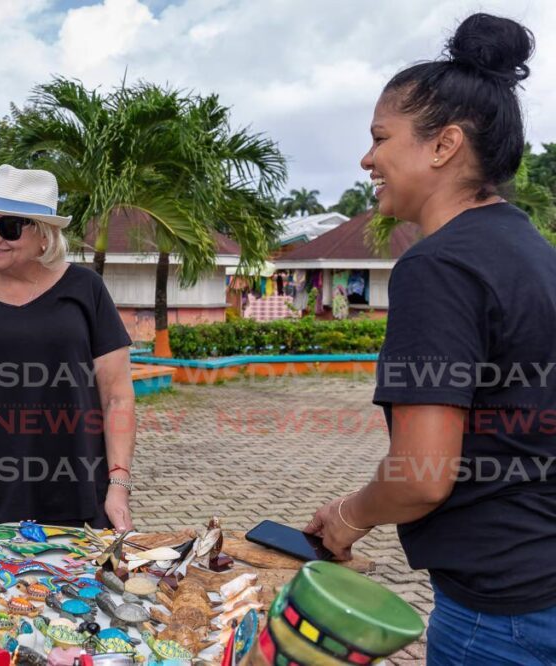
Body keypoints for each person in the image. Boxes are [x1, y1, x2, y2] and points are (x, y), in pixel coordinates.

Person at [305, 14, 556, 665]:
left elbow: (422, 476)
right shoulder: (534, 253)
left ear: (443, 146)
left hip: (499, 618)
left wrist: (347, 515)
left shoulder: (439, 266)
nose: (367, 159)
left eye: (380, 138)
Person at [0, 165, 136, 564]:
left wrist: (118, 485)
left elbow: (117, 397)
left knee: (77, 618)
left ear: (44, 234)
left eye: (9, 227)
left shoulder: (87, 291)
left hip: (76, 498)